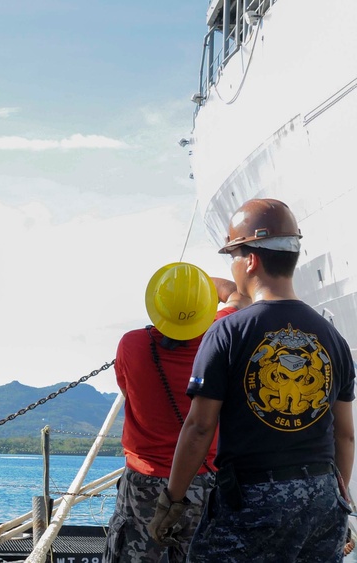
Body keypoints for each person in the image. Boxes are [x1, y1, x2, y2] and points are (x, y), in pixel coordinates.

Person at [149, 198, 356, 562]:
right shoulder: (333, 337)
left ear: (251, 259)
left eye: (232, 254)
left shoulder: (228, 332)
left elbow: (199, 428)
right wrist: (339, 491)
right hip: (322, 499)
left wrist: (173, 499)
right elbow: (345, 433)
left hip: (254, 500)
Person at [104, 262, 246, 563]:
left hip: (145, 485)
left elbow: (128, 392)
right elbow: (237, 294)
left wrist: (176, 292)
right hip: (204, 482)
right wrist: (196, 288)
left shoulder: (131, 345)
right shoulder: (220, 340)